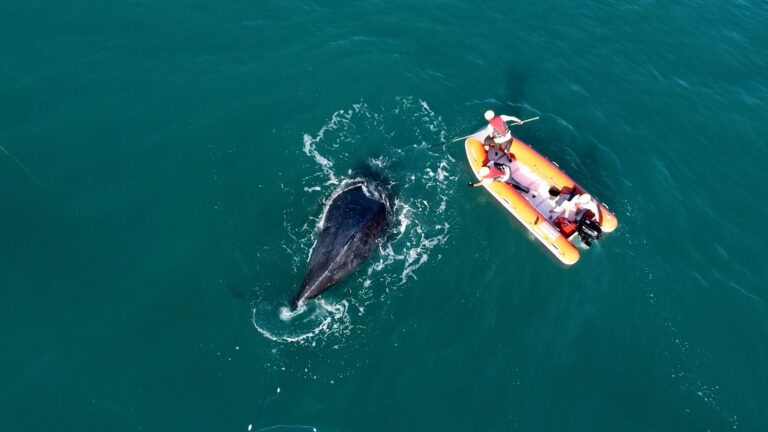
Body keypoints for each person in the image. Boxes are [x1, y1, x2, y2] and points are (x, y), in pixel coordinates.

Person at [467, 162, 536, 197]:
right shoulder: (490, 165)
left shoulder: (489, 178)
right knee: (515, 184)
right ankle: (531, 192)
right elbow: (493, 161)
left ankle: (532, 192)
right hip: (507, 168)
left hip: (507, 176)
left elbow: (482, 183)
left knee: (516, 185)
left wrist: (473, 185)